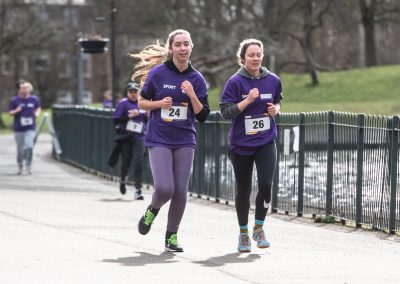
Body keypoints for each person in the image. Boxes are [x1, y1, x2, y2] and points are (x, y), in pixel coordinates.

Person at [130, 29, 210, 252]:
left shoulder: (197, 79)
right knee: (165, 188)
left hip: (185, 139)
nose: (183, 48)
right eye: (178, 44)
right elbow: (142, 102)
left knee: (181, 191)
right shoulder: (158, 74)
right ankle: (152, 210)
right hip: (159, 138)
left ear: (191, 46)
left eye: (186, 44)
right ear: (171, 48)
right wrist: (159, 104)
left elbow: (203, 116)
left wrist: (192, 95)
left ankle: (171, 237)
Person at [219, 39, 283, 253]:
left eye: (258, 54)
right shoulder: (234, 82)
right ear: (243, 58)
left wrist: (276, 109)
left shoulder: (273, 79)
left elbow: (278, 101)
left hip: (266, 141)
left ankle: (259, 227)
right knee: (243, 189)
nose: (255, 58)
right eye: (251, 55)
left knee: (266, 183)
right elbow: (225, 112)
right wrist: (246, 101)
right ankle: (244, 233)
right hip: (241, 145)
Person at [109, 82, 146, 200]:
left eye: (136, 91)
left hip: (139, 137)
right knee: (126, 162)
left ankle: (138, 190)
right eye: (131, 91)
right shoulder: (123, 104)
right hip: (126, 137)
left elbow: (148, 118)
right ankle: (123, 179)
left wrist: (143, 114)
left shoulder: (143, 103)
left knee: (138, 163)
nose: (133, 94)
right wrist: (129, 117)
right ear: (127, 93)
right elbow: (116, 120)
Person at [8, 80, 42, 175]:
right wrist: (16, 110)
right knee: (20, 149)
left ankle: (28, 165)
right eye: (23, 88)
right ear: (19, 90)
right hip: (19, 128)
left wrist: (37, 113)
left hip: (30, 128)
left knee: (29, 146)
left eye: (26, 88)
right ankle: (20, 165)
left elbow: (38, 107)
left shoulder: (34, 99)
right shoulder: (15, 100)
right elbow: (10, 112)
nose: (25, 89)